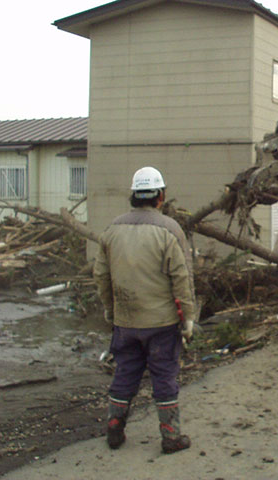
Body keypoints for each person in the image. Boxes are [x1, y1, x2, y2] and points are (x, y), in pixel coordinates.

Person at [93, 166, 197, 454]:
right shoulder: (170, 230)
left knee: (125, 372)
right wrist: (187, 317)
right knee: (164, 376)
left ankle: (114, 428)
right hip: (162, 324)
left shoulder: (112, 229)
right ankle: (171, 436)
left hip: (126, 322)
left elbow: (101, 276)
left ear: (133, 195)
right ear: (160, 197)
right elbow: (182, 278)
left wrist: (110, 311)